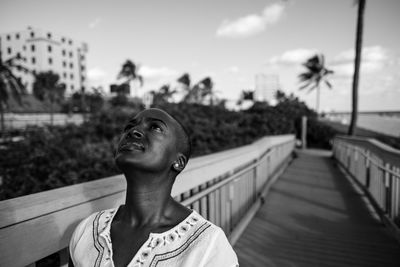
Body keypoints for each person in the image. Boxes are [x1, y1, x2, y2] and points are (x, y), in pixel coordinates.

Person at [69, 108, 239, 267]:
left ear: (178, 162)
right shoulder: (88, 230)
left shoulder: (207, 245)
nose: (133, 131)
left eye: (155, 127)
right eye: (129, 126)